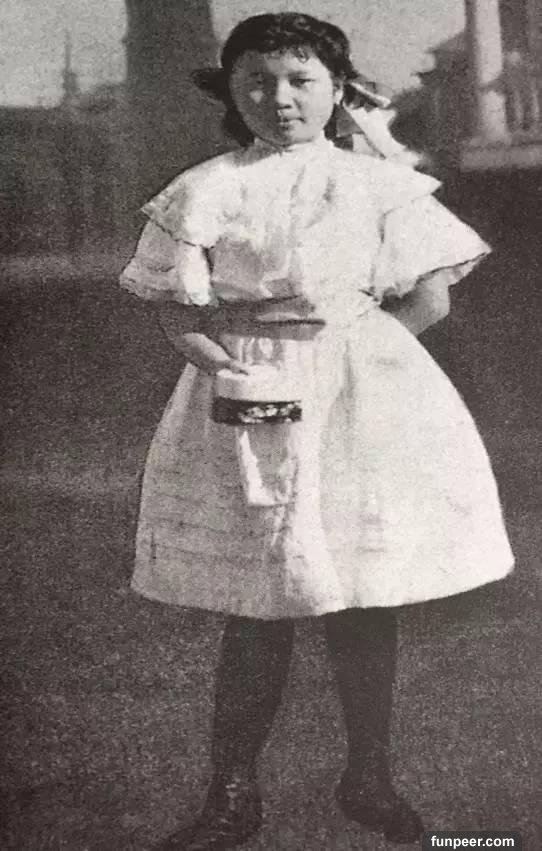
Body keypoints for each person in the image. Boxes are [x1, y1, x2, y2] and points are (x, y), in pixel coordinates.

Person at [120, 12, 514, 849]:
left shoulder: (376, 185)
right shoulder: (207, 188)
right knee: (258, 599)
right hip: (249, 383)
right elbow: (173, 307)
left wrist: (360, 356)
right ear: (231, 92)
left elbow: (431, 296)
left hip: (359, 398)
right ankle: (232, 793)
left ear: (338, 90)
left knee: (362, 590)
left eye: (301, 80)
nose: (280, 98)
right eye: (257, 81)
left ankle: (369, 776)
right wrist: (232, 370)